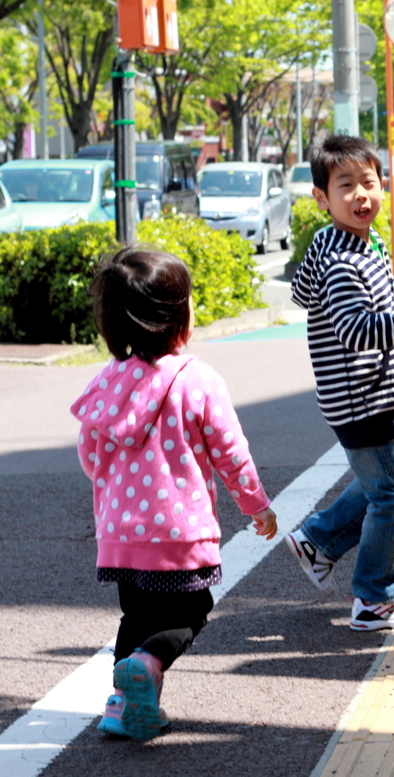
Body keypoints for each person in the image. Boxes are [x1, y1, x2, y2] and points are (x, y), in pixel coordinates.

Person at [70, 249, 277, 741]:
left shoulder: (108, 380)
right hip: (178, 532)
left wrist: (118, 490)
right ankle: (147, 664)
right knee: (191, 609)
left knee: (135, 615)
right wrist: (256, 505)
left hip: (120, 534)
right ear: (180, 316)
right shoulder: (196, 379)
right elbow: (231, 452)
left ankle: (123, 706)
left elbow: (88, 453)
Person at [287, 135, 394, 632]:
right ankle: (377, 598)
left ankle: (318, 539)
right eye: (346, 186)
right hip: (362, 399)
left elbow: (303, 294)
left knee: (377, 485)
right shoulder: (343, 260)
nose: (362, 195)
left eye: (369, 182)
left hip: (367, 393)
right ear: (322, 198)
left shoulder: (345, 242)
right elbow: (356, 330)